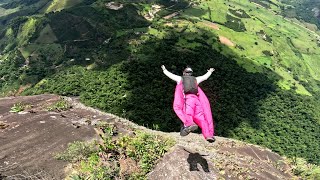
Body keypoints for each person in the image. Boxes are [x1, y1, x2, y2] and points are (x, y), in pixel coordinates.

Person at [161, 65, 215, 143]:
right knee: (201, 119)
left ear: (184, 73)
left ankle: (188, 124)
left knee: (188, 115)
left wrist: (164, 69)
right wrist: (210, 71)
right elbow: (205, 77)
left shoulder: (180, 79)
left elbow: (170, 75)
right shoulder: (196, 79)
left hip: (188, 100)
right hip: (197, 101)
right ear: (191, 73)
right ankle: (208, 135)